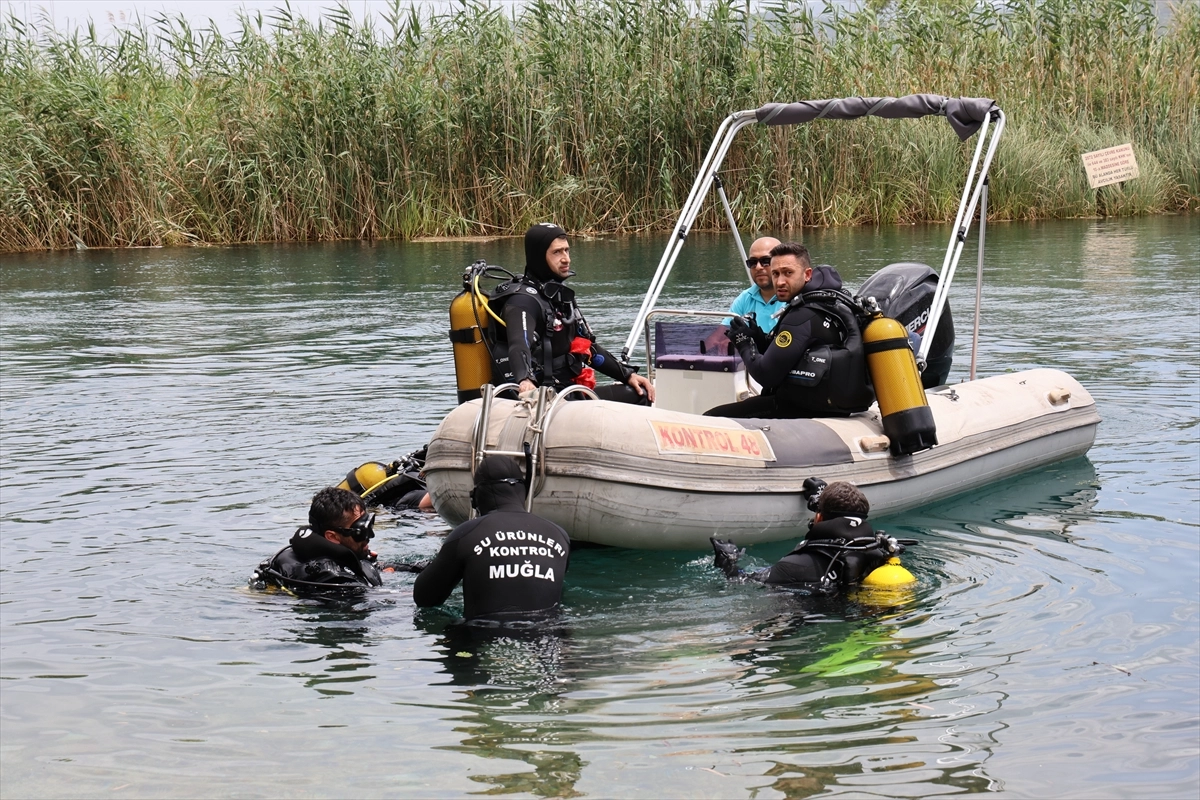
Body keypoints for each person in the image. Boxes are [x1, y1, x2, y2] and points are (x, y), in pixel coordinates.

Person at [704, 241, 873, 419]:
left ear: (807, 274)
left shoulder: (801, 316)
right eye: (775, 274)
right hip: (831, 403)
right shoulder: (826, 304)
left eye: (788, 273)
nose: (780, 281)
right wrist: (758, 339)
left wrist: (744, 344)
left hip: (801, 407)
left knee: (711, 418)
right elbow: (790, 354)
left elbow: (766, 376)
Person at [490, 223, 655, 404]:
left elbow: (588, 349)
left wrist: (627, 375)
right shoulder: (523, 301)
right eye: (557, 252)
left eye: (567, 251)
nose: (566, 258)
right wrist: (525, 380)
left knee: (640, 394)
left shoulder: (559, 296)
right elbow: (519, 343)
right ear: (538, 256)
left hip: (570, 393)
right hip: (547, 400)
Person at [413, 455, 570, 621]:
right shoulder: (559, 535)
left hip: (483, 637)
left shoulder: (466, 534)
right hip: (550, 638)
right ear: (523, 491)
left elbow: (425, 599)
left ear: (477, 496)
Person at [710, 479, 900, 594]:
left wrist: (727, 562)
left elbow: (739, 582)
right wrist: (822, 496)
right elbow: (846, 516)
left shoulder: (794, 566)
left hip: (808, 623)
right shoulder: (878, 554)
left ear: (818, 517)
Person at [251, 487, 383, 593]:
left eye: (369, 525)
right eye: (360, 531)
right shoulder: (334, 580)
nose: (370, 536)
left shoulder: (308, 552)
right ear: (332, 537)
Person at [726, 235, 782, 338]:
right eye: (753, 262)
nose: (758, 267)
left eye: (766, 261)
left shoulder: (795, 300)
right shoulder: (745, 298)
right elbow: (720, 335)